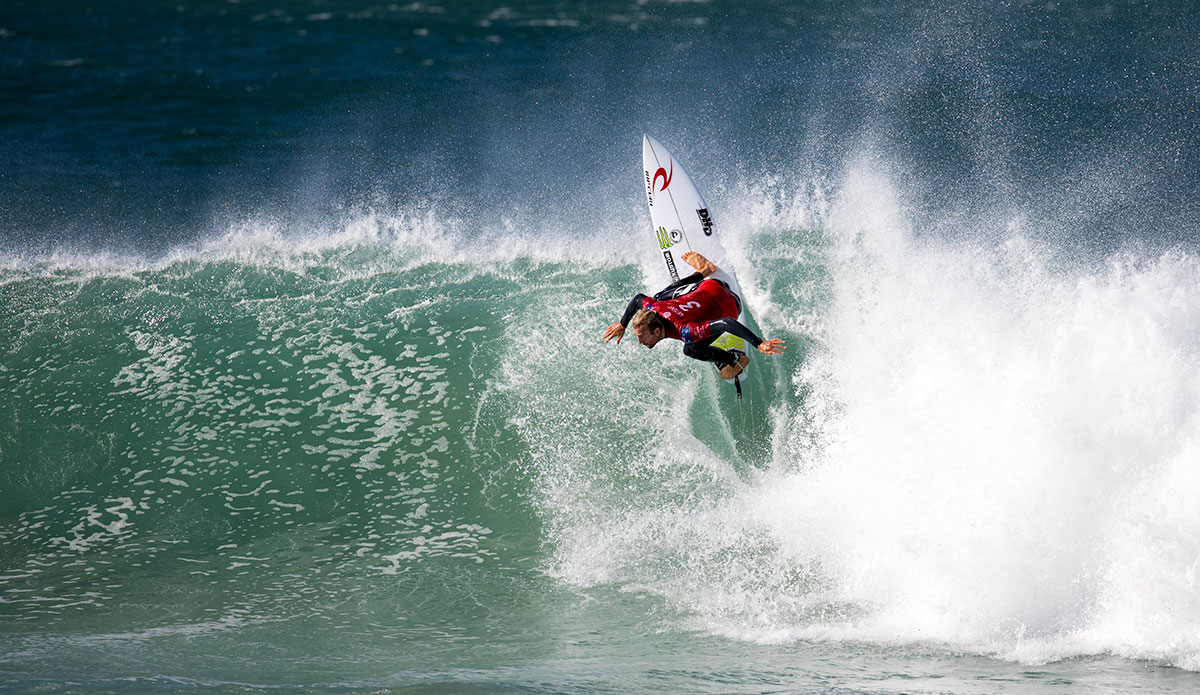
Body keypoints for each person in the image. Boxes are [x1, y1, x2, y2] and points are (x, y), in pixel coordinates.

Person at [603, 251, 785, 379]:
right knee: (658, 297)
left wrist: (758, 343)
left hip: (731, 302)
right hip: (711, 284)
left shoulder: (686, 331)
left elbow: (727, 323)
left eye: (642, 336)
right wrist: (622, 325)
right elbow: (638, 299)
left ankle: (735, 359)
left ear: (657, 331)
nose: (640, 341)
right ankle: (703, 271)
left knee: (690, 349)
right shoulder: (654, 308)